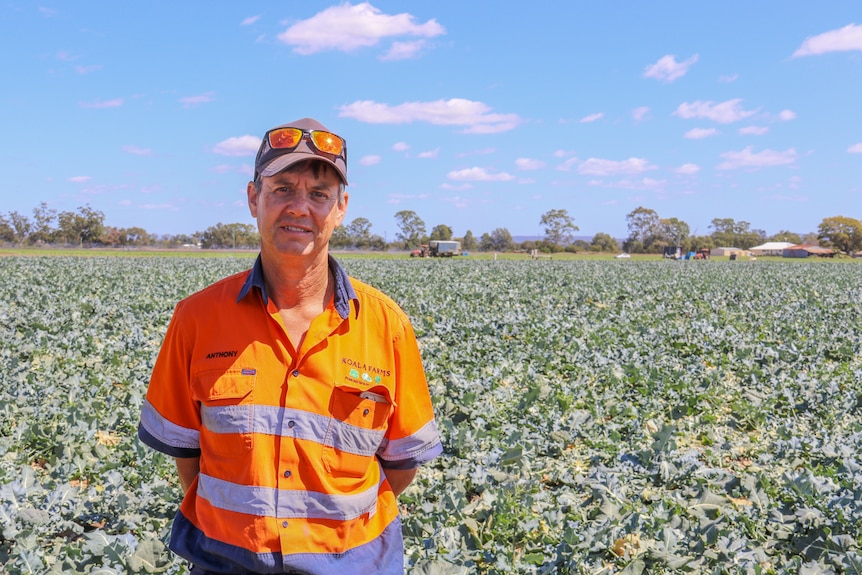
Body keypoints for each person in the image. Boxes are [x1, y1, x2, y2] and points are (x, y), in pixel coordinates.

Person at [138, 118, 443, 574]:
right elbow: (187, 454)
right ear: (253, 199)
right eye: (282, 188)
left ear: (340, 208)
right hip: (227, 562)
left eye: (319, 194)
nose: (299, 207)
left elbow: (402, 464)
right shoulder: (196, 319)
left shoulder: (387, 325)